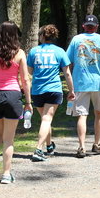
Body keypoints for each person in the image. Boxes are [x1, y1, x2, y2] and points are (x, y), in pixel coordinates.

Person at [0, 21, 32, 184]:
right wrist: (28, 102)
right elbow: (25, 80)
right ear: (15, 34)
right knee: (8, 139)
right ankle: (6, 174)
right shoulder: (20, 53)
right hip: (12, 96)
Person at [66, 14, 100, 158]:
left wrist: (69, 82)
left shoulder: (76, 39)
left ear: (84, 26)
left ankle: (81, 147)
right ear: (96, 27)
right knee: (98, 113)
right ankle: (97, 143)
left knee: (82, 115)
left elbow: (68, 62)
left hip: (80, 83)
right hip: (98, 83)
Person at [26, 24, 75, 162]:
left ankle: (49, 146)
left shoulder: (33, 51)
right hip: (54, 89)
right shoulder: (59, 51)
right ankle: (38, 149)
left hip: (37, 90)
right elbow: (67, 73)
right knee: (46, 120)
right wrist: (71, 90)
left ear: (42, 36)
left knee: (45, 119)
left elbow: (29, 71)